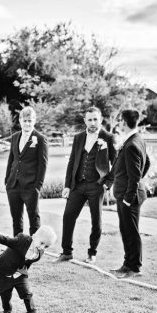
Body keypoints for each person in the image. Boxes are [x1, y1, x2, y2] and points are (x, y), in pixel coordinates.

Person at [57, 106, 116, 264]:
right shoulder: (78, 137)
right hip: (78, 185)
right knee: (68, 216)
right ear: (85, 121)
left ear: (101, 120)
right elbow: (72, 162)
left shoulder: (108, 138)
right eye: (89, 119)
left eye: (95, 119)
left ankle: (92, 252)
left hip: (97, 185)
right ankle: (67, 252)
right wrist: (67, 185)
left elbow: (116, 163)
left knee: (96, 220)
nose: (92, 122)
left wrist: (108, 183)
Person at [111, 109, 150, 278]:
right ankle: (127, 264)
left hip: (129, 197)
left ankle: (135, 267)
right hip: (125, 194)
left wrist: (128, 198)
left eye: (120, 120)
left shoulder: (132, 145)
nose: (118, 123)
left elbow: (134, 176)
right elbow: (146, 163)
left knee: (131, 231)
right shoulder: (136, 140)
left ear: (125, 123)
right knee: (125, 230)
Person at [5, 106, 48, 236]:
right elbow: (11, 160)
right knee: (16, 219)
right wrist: (7, 180)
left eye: (30, 120)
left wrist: (38, 186)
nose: (27, 123)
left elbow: (43, 164)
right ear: (20, 121)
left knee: (33, 218)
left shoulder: (40, 138)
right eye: (25, 120)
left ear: (34, 121)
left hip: (31, 186)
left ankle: (34, 248)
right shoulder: (15, 137)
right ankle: (17, 248)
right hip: (13, 185)